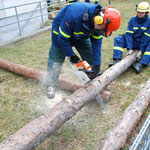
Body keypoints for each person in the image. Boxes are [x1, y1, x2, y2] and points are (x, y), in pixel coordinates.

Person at [45, 2, 121, 99]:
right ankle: (50, 85)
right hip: (60, 33)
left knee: (90, 57)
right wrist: (71, 55)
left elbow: (96, 45)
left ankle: (94, 81)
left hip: (81, 35)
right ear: (99, 20)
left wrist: (97, 65)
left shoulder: (98, 26)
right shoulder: (75, 14)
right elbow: (63, 38)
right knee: (56, 60)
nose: (102, 32)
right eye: (103, 30)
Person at [108, 2, 150, 74]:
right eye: (138, 11)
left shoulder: (149, 22)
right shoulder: (132, 20)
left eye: (142, 12)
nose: (139, 14)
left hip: (144, 43)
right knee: (118, 39)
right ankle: (117, 60)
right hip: (134, 41)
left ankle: (141, 64)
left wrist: (141, 50)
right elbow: (129, 35)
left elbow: (146, 38)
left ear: (146, 13)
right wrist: (130, 48)